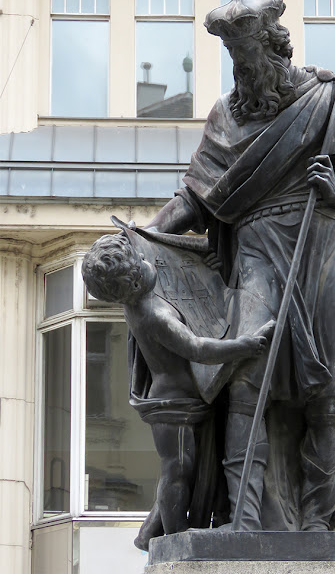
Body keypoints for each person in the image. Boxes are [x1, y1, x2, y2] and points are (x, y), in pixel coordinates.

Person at [143, 0, 335, 532]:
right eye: (235, 62)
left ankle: (320, 525)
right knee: (244, 375)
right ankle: (242, 520)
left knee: (330, 390)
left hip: (326, 238)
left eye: (250, 58)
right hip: (256, 249)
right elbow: (196, 196)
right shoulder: (226, 114)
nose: (244, 75)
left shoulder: (330, 97)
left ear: (276, 47)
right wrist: (145, 235)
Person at [82, 231, 273, 544]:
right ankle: (174, 537)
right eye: (141, 262)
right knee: (178, 470)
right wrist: (244, 346)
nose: (147, 261)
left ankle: (148, 534)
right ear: (132, 283)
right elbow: (197, 349)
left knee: (181, 469)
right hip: (174, 408)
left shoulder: (138, 303)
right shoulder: (156, 315)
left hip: (178, 402)